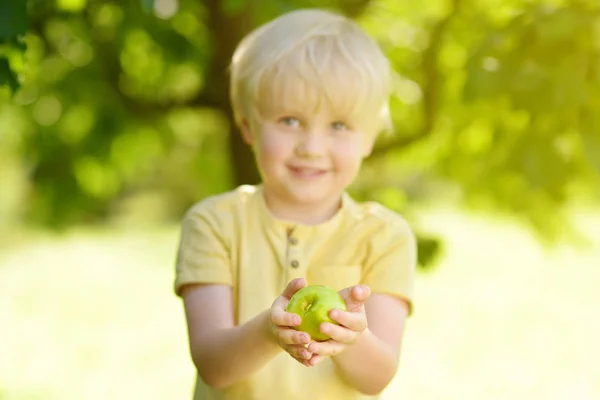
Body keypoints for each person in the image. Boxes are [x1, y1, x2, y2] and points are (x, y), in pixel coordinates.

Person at [173, 8, 417, 400]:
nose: (312, 147)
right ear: (248, 126)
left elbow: (377, 379)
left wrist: (350, 338)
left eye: (338, 126)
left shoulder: (384, 235)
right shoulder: (213, 223)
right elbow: (213, 366)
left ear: (369, 138)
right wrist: (269, 332)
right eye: (290, 120)